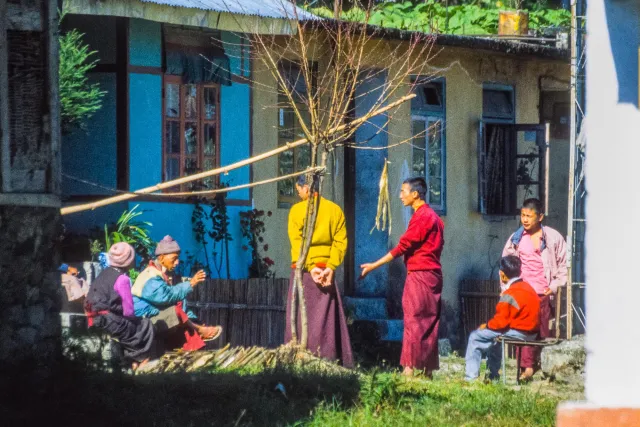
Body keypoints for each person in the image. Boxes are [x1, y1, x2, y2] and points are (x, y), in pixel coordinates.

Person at [360, 177, 444, 378]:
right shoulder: (435, 217)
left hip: (420, 275)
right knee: (429, 321)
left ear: (415, 194)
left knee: (414, 320)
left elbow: (403, 246)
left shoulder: (423, 217)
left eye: (403, 191)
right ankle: (427, 369)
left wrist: (374, 265)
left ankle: (409, 369)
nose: (400, 196)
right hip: (433, 275)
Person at [285, 174, 353, 367]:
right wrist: (330, 267)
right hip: (326, 272)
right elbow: (340, 242)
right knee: (326, 319)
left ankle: (299, 358)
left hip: (305, 272)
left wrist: (311, 266)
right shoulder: (334, 210)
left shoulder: (297, 211)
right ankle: (328, 358)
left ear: (307, 188)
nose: (298, 192)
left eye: (298, 188)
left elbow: (297, 243)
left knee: (299, 317)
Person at [502, 198, 567, 381]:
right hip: (522, 292)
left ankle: (538, 365)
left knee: (541, 330)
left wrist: (554, 287)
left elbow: (563, 265)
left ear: (540, 217)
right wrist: (507, 287)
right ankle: (526, 368)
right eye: (522, 215)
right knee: (522, 329)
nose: (525, 220)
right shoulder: (516, 239)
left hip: (542, 292)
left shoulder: (552, 238)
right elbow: (505, 265)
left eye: (529, 216)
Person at [132, 235, 222, 353]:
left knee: (184, 319)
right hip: (142, 321)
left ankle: (195, 351)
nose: (177, 262)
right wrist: (191, 283)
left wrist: (192, 319)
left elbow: (179, 302)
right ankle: (199, 331)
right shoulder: (150, 276)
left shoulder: (166, 276)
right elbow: (165, 297)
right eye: (174, 258)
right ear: (162, 257)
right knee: (176, 313)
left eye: (178, 258)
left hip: (157, 317)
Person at [464, 256, 540, 381]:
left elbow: (500, 323)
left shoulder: (509, 294)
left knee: (475, 337)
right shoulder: (530, 289)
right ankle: (492, 376)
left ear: (503, 275)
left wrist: (487, 325)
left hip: (518, 332)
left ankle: (470, 378)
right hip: (532, 333)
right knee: (495, 340)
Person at [84, 242, 156, 370]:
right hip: (108, 321)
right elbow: (128, 312)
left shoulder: (104, 273)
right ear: (128, 260)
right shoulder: (123, 279)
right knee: (145, 325)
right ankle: (140, 360)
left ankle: (130, 360)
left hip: (93, 319)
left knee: (129, 326)